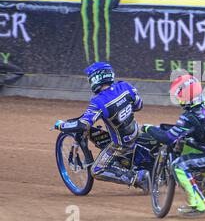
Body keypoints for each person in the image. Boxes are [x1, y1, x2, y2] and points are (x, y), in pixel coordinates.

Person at [144, 74, 205, 217]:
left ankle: (197, 205)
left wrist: (148, 128)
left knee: (178, 166)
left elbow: (167, 138)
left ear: (182, 95)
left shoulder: (189, 117)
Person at [53, 62, 149, 191]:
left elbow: (83, 125)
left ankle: (136, 177)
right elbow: (139, 106)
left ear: (96, 78)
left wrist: (61, 125)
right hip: (136, 130)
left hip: (121, 144)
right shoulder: (125, 86)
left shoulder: (99, 101)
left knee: (96, 170)